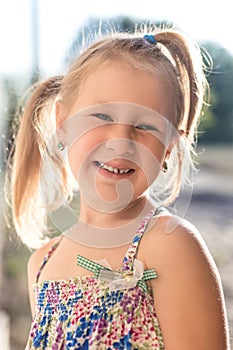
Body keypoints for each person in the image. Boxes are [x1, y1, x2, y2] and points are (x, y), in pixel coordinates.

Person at [7, 26, 230, 349]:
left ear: (168, 147)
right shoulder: (41, 264)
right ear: (63, 123)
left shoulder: (170, 246)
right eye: (101, 116)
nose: (121, 142)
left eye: (145, 126)